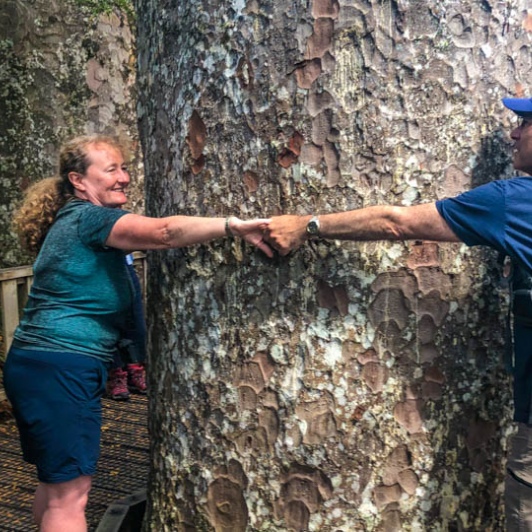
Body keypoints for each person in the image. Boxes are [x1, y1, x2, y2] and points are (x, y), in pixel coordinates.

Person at [264, 96, 532, 531]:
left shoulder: (514, 202)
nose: (514, 133)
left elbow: (398, 222)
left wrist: (305, 225)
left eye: (525, 122)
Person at [3, 134, 273, 532]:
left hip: (35, 364)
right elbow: (164, 232)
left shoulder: (71, 219)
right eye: (111, 169)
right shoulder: (89, 218)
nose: (124, 177)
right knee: (70, 500)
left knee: (54, 484)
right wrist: (233, 226)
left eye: (124, 167)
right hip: (62, 368)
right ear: (79, 181)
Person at [106, 254, 147, 401]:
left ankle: (135, 370)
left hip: (124, 263)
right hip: (98, 266)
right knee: (108, 322)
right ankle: (116, 375)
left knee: (135, 320)